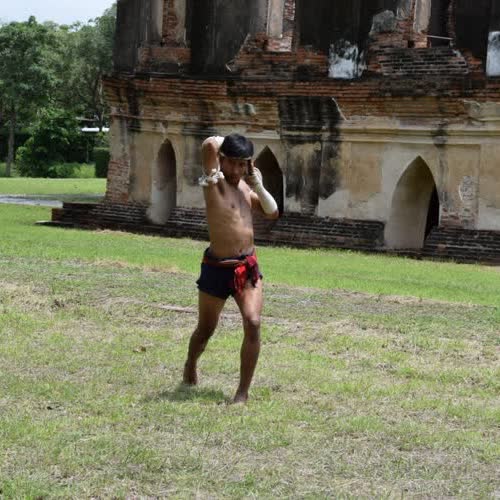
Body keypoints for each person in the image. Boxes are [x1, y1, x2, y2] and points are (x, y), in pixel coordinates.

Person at [183, 133, 279, 403]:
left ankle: (242, 393)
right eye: (232, 163)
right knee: (205, 329)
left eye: (242, 164)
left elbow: (272, 213)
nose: (236, 170)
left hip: (246, 268)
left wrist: (258, 184)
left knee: (253, 322)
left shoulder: (247, 189)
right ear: (222, 160)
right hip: (216, 267)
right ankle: (191, 362)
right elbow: (209, 145)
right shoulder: (213, 183)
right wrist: (234, 144)